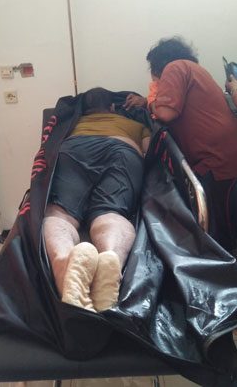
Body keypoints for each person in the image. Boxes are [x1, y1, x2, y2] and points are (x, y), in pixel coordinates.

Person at [124, 37, 237, 265]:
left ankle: (229, 277)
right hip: (228, 156)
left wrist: (151, 104)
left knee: (219, 233)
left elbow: (166, 113)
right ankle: (228, 271)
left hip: (220, 161)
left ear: (158, 64)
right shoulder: (193, 69)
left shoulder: (175, 67)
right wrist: (147, 102)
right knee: (219, 225)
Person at [44, 87, 150, 312]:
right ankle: (111, 257)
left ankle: (63, 263)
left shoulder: (74, 123)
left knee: (60, 213)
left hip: (74, 149)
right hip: (122, 149)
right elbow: (150, 155)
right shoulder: (135, 125)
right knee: (111, 213)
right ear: (112, 107)